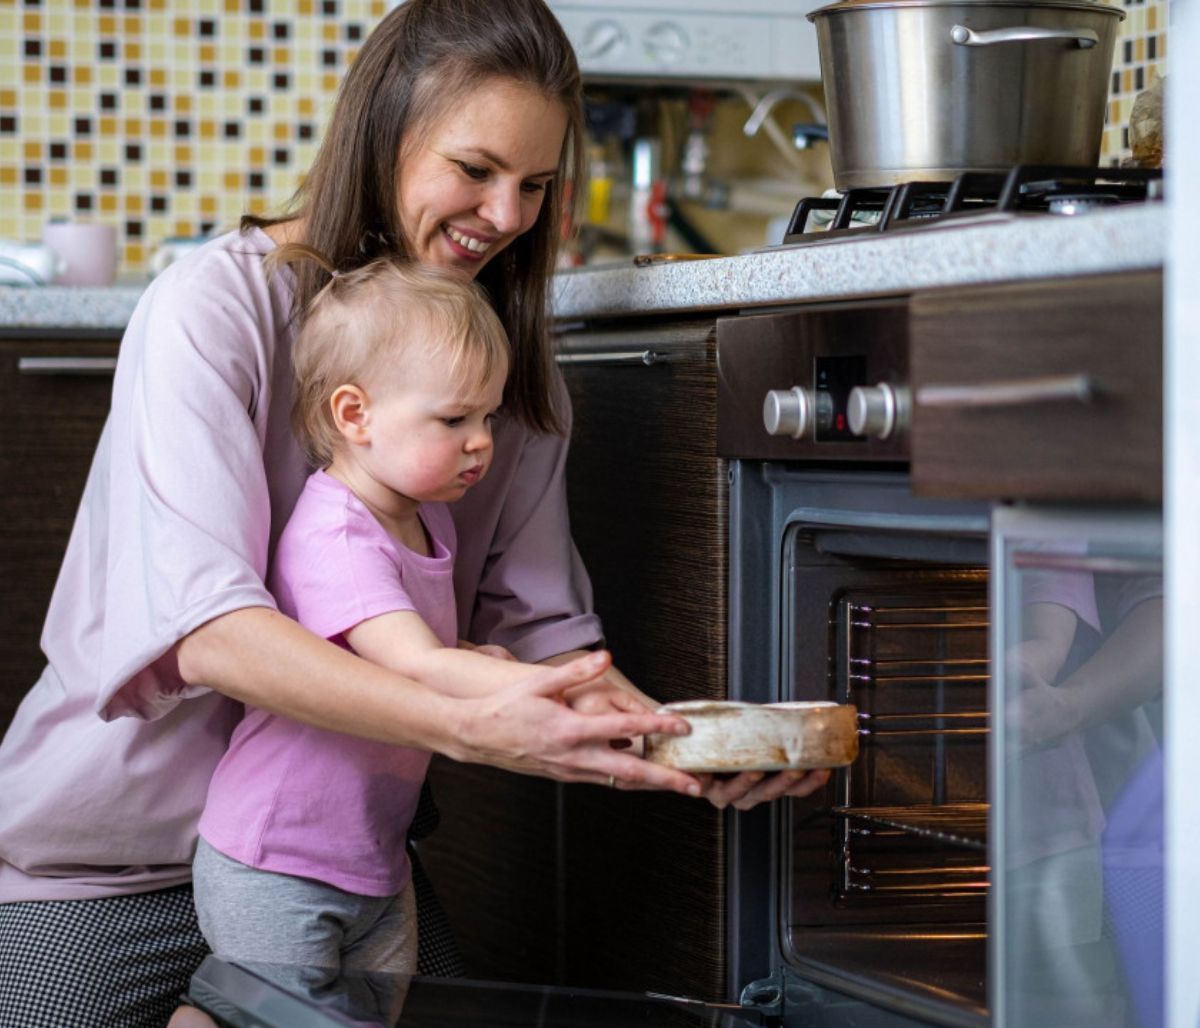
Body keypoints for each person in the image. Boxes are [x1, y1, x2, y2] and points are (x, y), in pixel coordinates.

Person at [0, 2, 828, 1025]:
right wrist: (465, 720)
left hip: (334, 860)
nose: (509, 213)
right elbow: (211, 634)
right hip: (113, 856)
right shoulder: (212, 313)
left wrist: (682, 742)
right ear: (386, 130)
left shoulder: (503, 387)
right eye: (476, 169)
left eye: (535, 183)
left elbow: (545, 641)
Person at [194, 250, 553, 990]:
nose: (482, 439)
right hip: (279, 856)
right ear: (354, 415)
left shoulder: (424, 521)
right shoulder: (339, 536)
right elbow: (415, 665)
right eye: (455, 418)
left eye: (487, 415)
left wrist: (473, 654)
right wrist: (539, 691)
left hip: (369, 854)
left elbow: (402, 648)